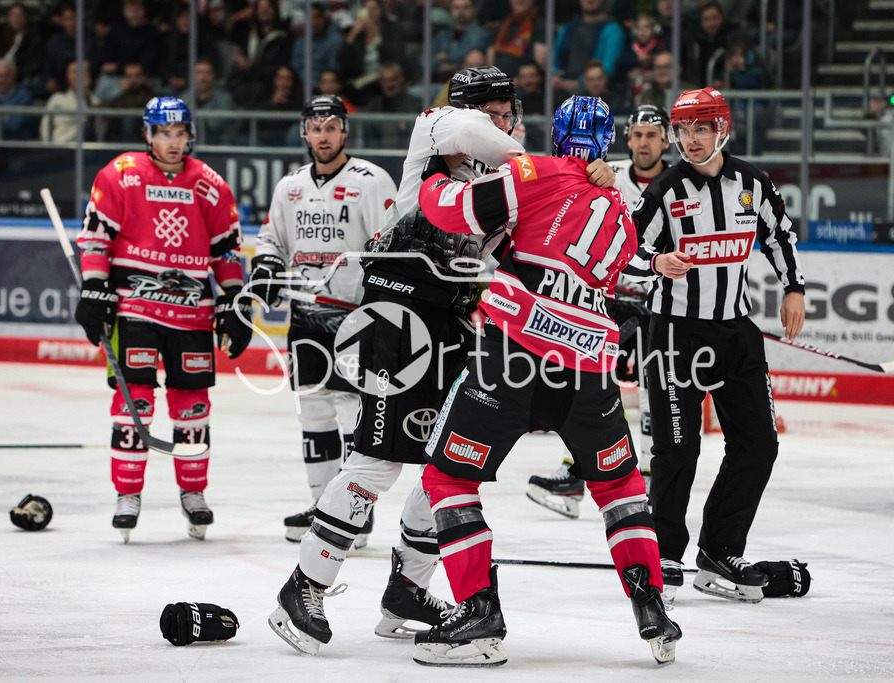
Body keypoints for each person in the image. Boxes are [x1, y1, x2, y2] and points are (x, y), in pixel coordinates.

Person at [267, 65, 617, 657]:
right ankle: (301, 591)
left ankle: (408, 589)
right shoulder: (440, 126)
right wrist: (565, 166)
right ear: (479, 108)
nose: (513, 122)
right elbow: (493, 143)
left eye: (514, 112)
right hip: (401, 308)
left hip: (455, 316)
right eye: (502, 110)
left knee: (443, 465)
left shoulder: (514, 167)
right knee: (377, 461)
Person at [414, 95, 681, 668]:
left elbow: (449, 211)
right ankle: (652, 605)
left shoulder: (535, 169)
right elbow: (623, 274)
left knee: (447, 479)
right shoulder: (619, 201)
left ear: (557, 135)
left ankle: (480, 612)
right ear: (609, 142)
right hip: (588, 369)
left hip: (513, 356)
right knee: (620, 486)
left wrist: (433, 169)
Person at [620, 87, 806, 604]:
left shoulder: (753, 182)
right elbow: (625, 250)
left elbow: (779, 236)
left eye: (700, 128)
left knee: (758, 445)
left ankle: (720, 550)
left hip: (735, 333)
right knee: (677, 450)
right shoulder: (666, 191)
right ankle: (667, 552)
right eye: (682, 130)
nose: (689, 139)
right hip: (674, 333)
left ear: (722, 129)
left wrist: (793, 288)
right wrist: (656, 263)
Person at [74, 97, 251, 543]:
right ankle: (127, 495)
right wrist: (94, 288)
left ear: (190, 134)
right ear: (147, 134)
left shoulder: (209, 184)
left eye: (180, 133)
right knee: (135, 401)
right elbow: (96, 236)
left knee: (192, 406)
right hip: (134, 307)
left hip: (192, 313)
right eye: (164, 133)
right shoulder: (120, 175)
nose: (173, 142)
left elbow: (226, 250)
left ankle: (193, 492)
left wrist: (234, 299)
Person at [249, 95, 396, 544]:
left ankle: (355, 509)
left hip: (355, 317)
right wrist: (267, 266)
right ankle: (321, 507)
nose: (323, 135)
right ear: (304, 133)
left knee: (355, 411)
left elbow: (389, 243)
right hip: (305, 317)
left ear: (344, 131)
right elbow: (271, 237)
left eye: (332, 127)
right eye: (316, 128)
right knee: (312, 410)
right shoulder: (289, 186)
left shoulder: (371, 180)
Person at [527, 103, 671, 519]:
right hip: (603, 302)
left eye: (652, 135)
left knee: (651, 392)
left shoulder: (677, 183)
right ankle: (576, 475)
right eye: (638, 135)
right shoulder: (608, 172)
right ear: (626, 138)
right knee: (589, 387)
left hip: (655, 304)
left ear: (665, 141)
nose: (644, 142)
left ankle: (647, 481)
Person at [553, 0, 626, 99]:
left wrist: (580, 82)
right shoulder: (567, 28)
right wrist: (555, 76)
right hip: (561, 86)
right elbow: (554, 59)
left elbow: (608, 67)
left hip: (593, 88)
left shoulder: (613, 29)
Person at [40, 60, 99, 143]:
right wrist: (47, 145)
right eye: (74, 72)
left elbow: (95, 128)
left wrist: (85, 92)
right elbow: (45, 125)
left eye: (82, 72)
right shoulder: (57, 98)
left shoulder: (94, 101)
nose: (78, 76)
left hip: (84, 148)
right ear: (67, 76)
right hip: (58, 146)